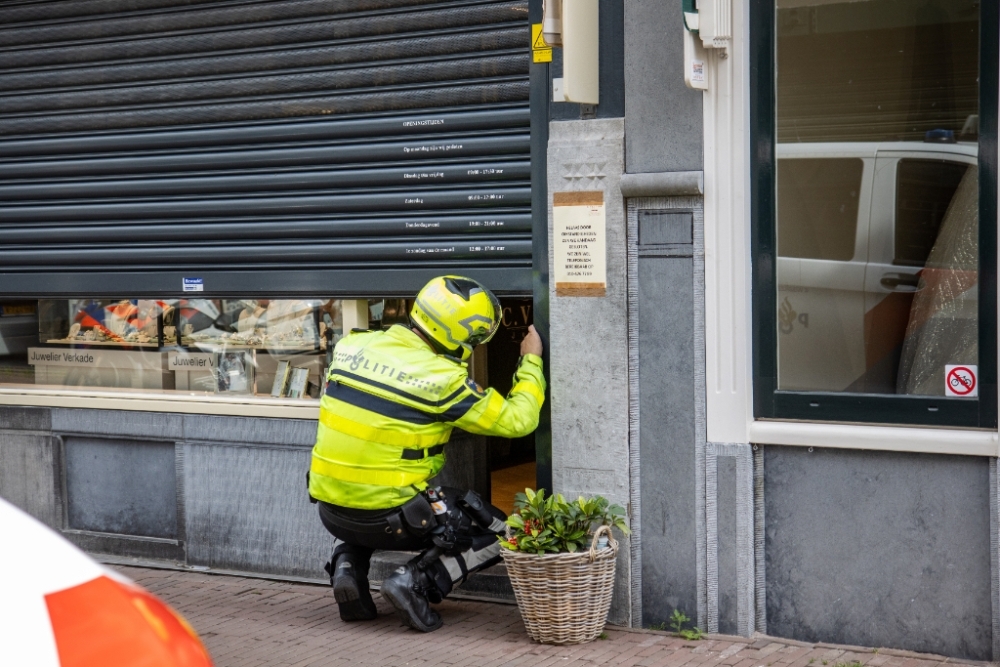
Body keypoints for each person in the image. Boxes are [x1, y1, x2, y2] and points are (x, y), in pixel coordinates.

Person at [307, 276, 545, 632]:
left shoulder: (350, 347)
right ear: (458, 334)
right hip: (391, 521)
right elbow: (519, 421)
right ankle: (416, 580)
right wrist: (531, 361)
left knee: (364, 491)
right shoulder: (442, 380)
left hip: (331, 512)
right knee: (500, 531)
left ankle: (347, 567)